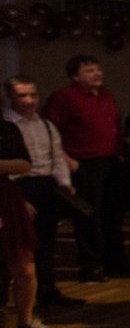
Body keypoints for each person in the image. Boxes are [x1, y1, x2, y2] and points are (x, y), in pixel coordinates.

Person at [44, 54, 130, 279]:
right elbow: (50, 131)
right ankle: (91, 265)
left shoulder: (105, 95)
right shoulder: (64, 97)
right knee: (88, 216)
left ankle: (115, 261)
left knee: (113, 215)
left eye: (97, 69)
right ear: (75, 76)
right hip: (84, 163)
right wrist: (66, 159)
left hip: (110, 161)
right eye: (89, 71)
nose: (97, 74)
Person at [4, 74, 86, 308]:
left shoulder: (46, 125)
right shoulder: (8, 126)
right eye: (22, 95)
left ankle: (47, 291)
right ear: (10, 97)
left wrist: (64, 182)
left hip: (46, 184)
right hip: (20, 185)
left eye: (33, 95)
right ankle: (13, 300)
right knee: (19, 247)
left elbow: (56, 156)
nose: (29, 100)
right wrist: (17, 198)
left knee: (46, 242)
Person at [0, 114, 56, 328]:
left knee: (25, 264)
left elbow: (24, 164)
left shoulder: (7, 128)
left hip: (6, 197)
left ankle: (26, 321)